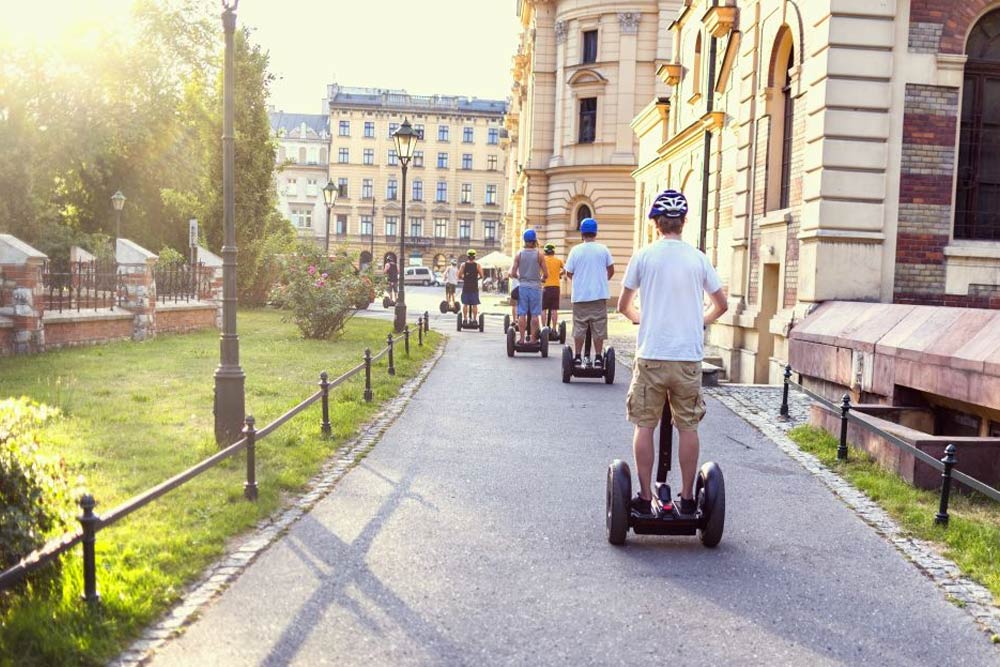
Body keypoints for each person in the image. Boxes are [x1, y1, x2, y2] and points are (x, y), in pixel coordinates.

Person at [617, 189, 728, 517]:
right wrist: (700, 322)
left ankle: (643, 495)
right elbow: (721, 304)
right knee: (688, 427)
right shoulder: (698, 258)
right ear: (684, 223)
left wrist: (642, 319)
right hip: (687, 358)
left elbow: (625, 306)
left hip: (652, 354)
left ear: (656, 224)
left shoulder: (643, 256)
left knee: (644, 424)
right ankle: (688, 497)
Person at [564, 218, 614, 367]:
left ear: (582, 233)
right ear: (595, 232)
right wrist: (601, 280)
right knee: (599, 327)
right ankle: (598, 358)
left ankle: (578, 357)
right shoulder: (603, 249)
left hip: (580, 297)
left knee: (579, 327)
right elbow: (611, 270)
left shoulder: (575, 250)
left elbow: (569, 272)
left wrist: (580, 281)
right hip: (599, 296)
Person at [509, 229, 548, 343]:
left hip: (523, 287)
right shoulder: (539, 255)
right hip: (536, 288)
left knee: (522, 314)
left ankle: (521, 339)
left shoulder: (519, 254)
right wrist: (541, 279)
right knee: (535, 314)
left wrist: (520, 278)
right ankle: (533, 339)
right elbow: (546, 274)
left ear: (524, 241)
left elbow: (512, 273)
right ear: (534, 241)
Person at [541, 242, 565, 331]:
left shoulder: (543, 261)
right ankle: (554, 329)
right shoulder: (558, 261)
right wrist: (559, 274)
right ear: (553, 252)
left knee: (543, 309)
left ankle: (543, 328)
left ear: (545, 252)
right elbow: (565, 270)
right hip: (555, 287)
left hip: (546, 287)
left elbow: (539, 273)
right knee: (554, 309)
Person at [459, 249, 483, 321]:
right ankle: (475, 319)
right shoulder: (477, 265)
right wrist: (476, 279)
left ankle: (465, 319)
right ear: (474, 257)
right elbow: (482, 275)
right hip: (474, 287)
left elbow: (459, 275)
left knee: (465, 304)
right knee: (474, 304)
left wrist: (465, 279)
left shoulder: (463, 265)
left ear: (468, 256)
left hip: (466, 287)